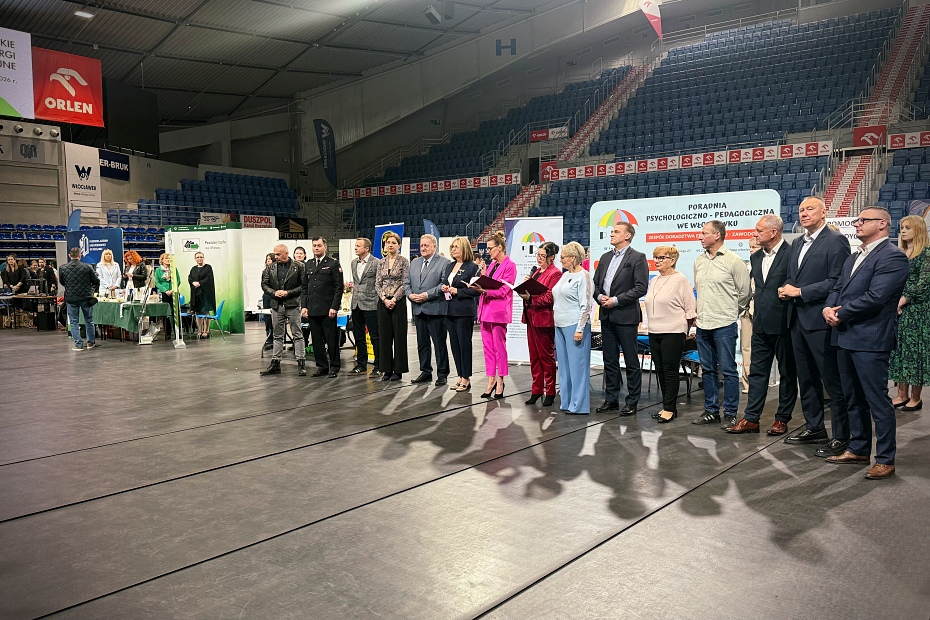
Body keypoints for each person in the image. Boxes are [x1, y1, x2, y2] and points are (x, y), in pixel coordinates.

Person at [823, 207, 909, 480]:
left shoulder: (893, 256)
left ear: (882, 224)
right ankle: (858, 449)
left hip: (871, 338)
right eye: (857, 219)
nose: (857, 223)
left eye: (863, 220)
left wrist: (840, 313)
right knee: (853, 398)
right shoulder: (853, 257)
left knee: (877, 401)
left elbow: (877, 296)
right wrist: (827, 308)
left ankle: (885, 459)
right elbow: (837, 288)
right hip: (845, 336)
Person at [778, 196, 851, 455]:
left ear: (823, 213)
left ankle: (842, 436)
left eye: (810, 209)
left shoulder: (835, 240)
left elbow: (838, 281)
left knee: (832, 380)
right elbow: (792, 276)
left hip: (820, 320)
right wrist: (786, 288)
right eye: (801, 210)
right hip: (796, 319)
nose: (804, 213)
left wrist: (800, 292)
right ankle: (815, 427)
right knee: (806, 378)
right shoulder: (797, 242)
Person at [725, 215, 798, 435]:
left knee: (787, 374)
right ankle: (751, 418)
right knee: (757, 373)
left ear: (773, 232)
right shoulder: (756, 257)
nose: (754, 234)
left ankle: (782, 419)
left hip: (785, 324)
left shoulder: (792, 254)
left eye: (758, 230)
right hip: (760, 324)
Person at [692, 220, 752, 428]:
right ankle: (711, 411)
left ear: (717, 235)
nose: (700, 237)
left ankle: (730, 412)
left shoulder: (733, 261)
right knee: (708, 370)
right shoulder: (699, 260)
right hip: (703, 323)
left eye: (704, 233)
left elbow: (745, 292)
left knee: (728, 370)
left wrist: (731, 312)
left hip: (724, 323)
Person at [592, 222, 649, 415]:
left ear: (627, 236)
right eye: (612, 231)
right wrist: (600, 297)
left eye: (616, 231)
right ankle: (611, 399)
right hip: (606, 315)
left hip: (626, 315)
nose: (612, 234)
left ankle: (632, 401)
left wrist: (615, 300)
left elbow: (641, 288)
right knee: (609, 360)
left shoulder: (637, 257)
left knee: (631, 360)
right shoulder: (605, 257)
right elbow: (595, 284)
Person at [644, 245, 696, 423]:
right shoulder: (654, 280)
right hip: (654, 331)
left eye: (661, 258)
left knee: (669, 369)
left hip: (673, 331)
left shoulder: (680, 280)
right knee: (659, 369)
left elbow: (690, 308)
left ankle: (669, 408)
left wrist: (686, 331)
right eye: (655, 257)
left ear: (672, 260)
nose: (657, 261)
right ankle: (667, 406)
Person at [889, 215, 929, 412]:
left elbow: (923, 284)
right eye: (902, 228)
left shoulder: (927, 253)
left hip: (917, 311)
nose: (903, 231)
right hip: (898, 309)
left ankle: (915, 397)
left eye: (908, 228)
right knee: (899, 351)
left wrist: (902, 300)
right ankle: (901, 394)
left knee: (914, 353)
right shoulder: (900, 252)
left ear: (918, 230)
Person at [472, 231, 516, 399]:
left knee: (499, 348)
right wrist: (481, 280)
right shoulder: (492, 265)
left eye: (490, 248)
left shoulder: (510, 265)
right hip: (485, 310)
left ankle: (500, 380)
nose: (488, 251)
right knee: (488, 348)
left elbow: (505, 290)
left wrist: (485, 291)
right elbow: (488, 283)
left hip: (498, 312)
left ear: (500, 248)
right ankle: (490, 379)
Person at [517, 241, 561, 406]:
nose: (539, 258)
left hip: (543, 319)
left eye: (543, 255)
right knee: (534, 357)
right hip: (531, 317)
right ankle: (536, 390)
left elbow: (550, 297)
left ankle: (550, 391)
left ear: (551, 257)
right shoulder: (535, 272)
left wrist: (531, 298)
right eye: (538, 255)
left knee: (546, 357)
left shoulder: (555, 274)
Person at [405, 234, 452, 386]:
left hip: (435, 309)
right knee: (422, 344)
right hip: (418, 309)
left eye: (426, 245)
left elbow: (444, 285)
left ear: (434, 246)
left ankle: (442, 374)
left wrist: (426, 295)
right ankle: (425, 371)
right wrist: (410, 295)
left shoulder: (444, 263)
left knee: (439, 344)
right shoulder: (414, 263)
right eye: (421, 245)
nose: (423, 248)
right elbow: (406, 283)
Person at [552, 241, 593, 414]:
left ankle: (579, 405)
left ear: (573, 258)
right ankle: (567, 401)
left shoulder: (584, 276)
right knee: (564, 367)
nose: (560, 259)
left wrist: (580, 328)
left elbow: (586, 305)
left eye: (563, 257)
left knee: (578, 367)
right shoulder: (564, 275)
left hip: (574, 326)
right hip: (559, 325)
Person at [440, 237, 481, 392]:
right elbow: (445, 282)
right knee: (455, 345)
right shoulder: (450, 266)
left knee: (464, 344)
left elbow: (476, 290)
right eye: (452, 247)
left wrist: (458, 291)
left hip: (464, 311)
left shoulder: (472, 267)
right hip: (449, 309)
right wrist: (444, 287)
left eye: (456, 247)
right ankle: (460, 375)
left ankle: (466, 377)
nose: (453, 250)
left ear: (464, 248)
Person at [261, 245, 308, 377]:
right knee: (277, 335)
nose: (275, 257)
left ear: (286, 253)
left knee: (297, 334)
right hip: (277, 305)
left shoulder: (299, 266)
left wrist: (288, 292)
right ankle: (275, 364)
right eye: (275, 254)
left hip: (293, 304)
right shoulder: (270, 268)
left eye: (278, 254)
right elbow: (264, 284)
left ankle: (301, 363)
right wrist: (274, 293)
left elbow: (303, 286)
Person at [302, 237, 344, 378]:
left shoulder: (333, 264)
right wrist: (304, 306)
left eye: (319, 245)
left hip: (327, 309)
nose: (316, 248)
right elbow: (304, 288)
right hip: (313, 308)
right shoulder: (308, 264)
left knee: (331, 340)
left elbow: (338, 287)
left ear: (325, 247)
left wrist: (334, 307)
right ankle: (322, 366)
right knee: (316, 341)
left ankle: (334, 366)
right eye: (314, 245)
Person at [375, 231, 409, 381]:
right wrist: (384, 298)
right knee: (384, 336)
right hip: (383, 302)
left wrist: (394, 299)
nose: (390, 245)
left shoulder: (403, 261)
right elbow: (377, 283)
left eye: (393, 243)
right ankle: (386, 369)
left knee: (399, 337)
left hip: (398, 302)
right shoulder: (381, 262)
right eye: (388, 242)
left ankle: (398, 370)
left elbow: (405, 282)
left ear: (399, 245)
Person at [348, 238, 381, 377]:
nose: (355, 248)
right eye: (355, 245)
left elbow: (379, 283)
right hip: (356, 304)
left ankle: (379, 366)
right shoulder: (353, 263)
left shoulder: (376, 263)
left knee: (374, 336)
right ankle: (361, 365)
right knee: (359, 336)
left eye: (358, 246)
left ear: (367, 248)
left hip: (371, 303)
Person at [58, 247, 100, 351]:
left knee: (74, 322)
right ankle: (90, 343)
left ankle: (78, 344)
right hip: (86, 297)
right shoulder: (87, 267)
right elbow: (96, 281)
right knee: (89, 320)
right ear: (80, 255)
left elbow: (62, 282)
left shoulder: (63, 268)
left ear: (69, 256)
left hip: (71, 298)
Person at [740, 237, 761, 394]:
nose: (751, 250)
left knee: (761, 348)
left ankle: (760, 381)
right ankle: (747, 383)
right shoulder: (746, 267)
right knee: (746, 348)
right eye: (750, 248)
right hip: (747, 310)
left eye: (754, 247)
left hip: (763, 310)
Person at [188, 251, 216, 338]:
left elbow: (208, 279)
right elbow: (190, 278)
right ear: (195, 259)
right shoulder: (193, 269)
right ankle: (199, 330)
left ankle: (206, 330)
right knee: (198, 313)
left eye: (201, 257)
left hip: (205, 294)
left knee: (206, 312)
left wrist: (199, 283)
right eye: (197, 257)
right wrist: (193, 282)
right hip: (196, 294)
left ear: (203, 258)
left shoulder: (208, 267)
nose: (199, 259)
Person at [153, 253, 180, 342]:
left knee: (175, 312)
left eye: (169, 258)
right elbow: (157, 282)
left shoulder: (174, 269)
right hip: (164, 293)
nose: (168, 260)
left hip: (174, 292)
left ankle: (178, 333)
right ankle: (167, 332)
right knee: (167, 313)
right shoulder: (158, 270)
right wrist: (165, 290)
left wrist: (172, 289)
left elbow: (178, 280)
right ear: (162, 260)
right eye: (166, 258)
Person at [261, 253, 274, 351]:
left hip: (275, 295)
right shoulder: (264, 272)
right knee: (267, 318)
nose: (268, 260)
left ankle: (278, 340)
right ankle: (269, 340)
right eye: (267, 259)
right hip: (267, 296)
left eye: (270, 259)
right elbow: (263, 284)